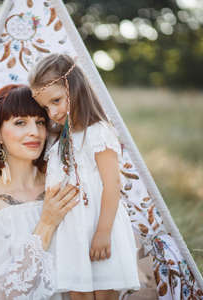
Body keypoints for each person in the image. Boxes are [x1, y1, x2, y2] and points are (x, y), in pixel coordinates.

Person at [29, 54, 140, 300]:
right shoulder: (58, 142)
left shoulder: (97, 133)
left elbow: (112, 186)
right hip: (71, 232)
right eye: (46, 107)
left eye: (56, 100)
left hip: (99, 226)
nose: (53, 112)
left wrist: (103, 232)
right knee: (77, 291)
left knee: (103, 288)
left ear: (75, 87)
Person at [0, 84, 79, 300]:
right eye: (20, 122)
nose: (35, 132)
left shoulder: (64, 183)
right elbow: (8, 290)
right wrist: (47, 223)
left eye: (40, 122)